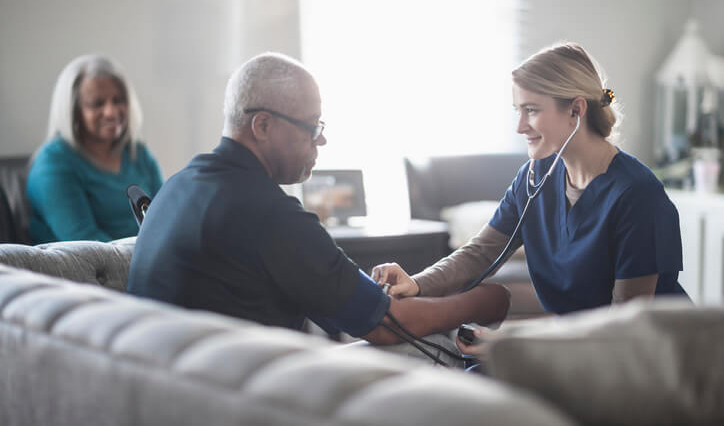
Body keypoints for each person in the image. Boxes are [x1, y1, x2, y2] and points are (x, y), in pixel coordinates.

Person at [127, 53, 510, 347]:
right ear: (262, 125)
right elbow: (386, 325)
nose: (321, 140)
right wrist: (485, 301)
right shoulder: (268, 214)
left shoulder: (178, 186)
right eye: (312, 126)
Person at [372, 42, 688, 355]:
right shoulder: (535, 176)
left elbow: (622, 325)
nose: (520, 126)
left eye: (531, 110)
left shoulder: (637, 195)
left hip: (654, 361)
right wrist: (416, 283)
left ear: (576, 110)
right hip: (583, 350)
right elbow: (480, 253)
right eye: (517, 111)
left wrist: (514, 341)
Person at [26, 55, 163, 243]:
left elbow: (166, 217)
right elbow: (86, 245)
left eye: (118, 100)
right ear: (73, 111)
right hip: (84, 270)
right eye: (97, 103)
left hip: (146, 262)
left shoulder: (138, 153)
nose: (111, 112)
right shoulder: (52, 164)